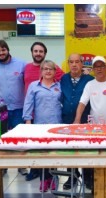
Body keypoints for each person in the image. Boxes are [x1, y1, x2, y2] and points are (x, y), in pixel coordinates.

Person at [24, 42, 64, 181]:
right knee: (41, 153)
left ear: (54, 71)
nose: (48, 71)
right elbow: (28, 104)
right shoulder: (34, 86)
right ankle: (43, 179)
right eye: (45, 69)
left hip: (56, 124)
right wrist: (28, 121)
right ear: (41, 71)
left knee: (54, 153)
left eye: (51, 69)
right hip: (39, 125)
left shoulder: (59, 86)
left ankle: (53, 179)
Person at [0, 39, 28, 176]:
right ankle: (2, 166)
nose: (1, 53)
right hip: (1, 109)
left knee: (20, 137)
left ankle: (21, 165)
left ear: (8, 50)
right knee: (2, 137)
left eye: (3, 50)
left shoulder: (21, 64)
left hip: (19, 107)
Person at [60, 53, 94, 190]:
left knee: (86, 148)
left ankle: (88, 176)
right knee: (70, 148)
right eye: (71, 62)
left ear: (82, 64)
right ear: (68, 64)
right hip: (67, 118)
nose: (74, 65)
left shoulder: (90, 80)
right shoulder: (63, 78)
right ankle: (72, 175)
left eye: (77, 62)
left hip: (85, 119)